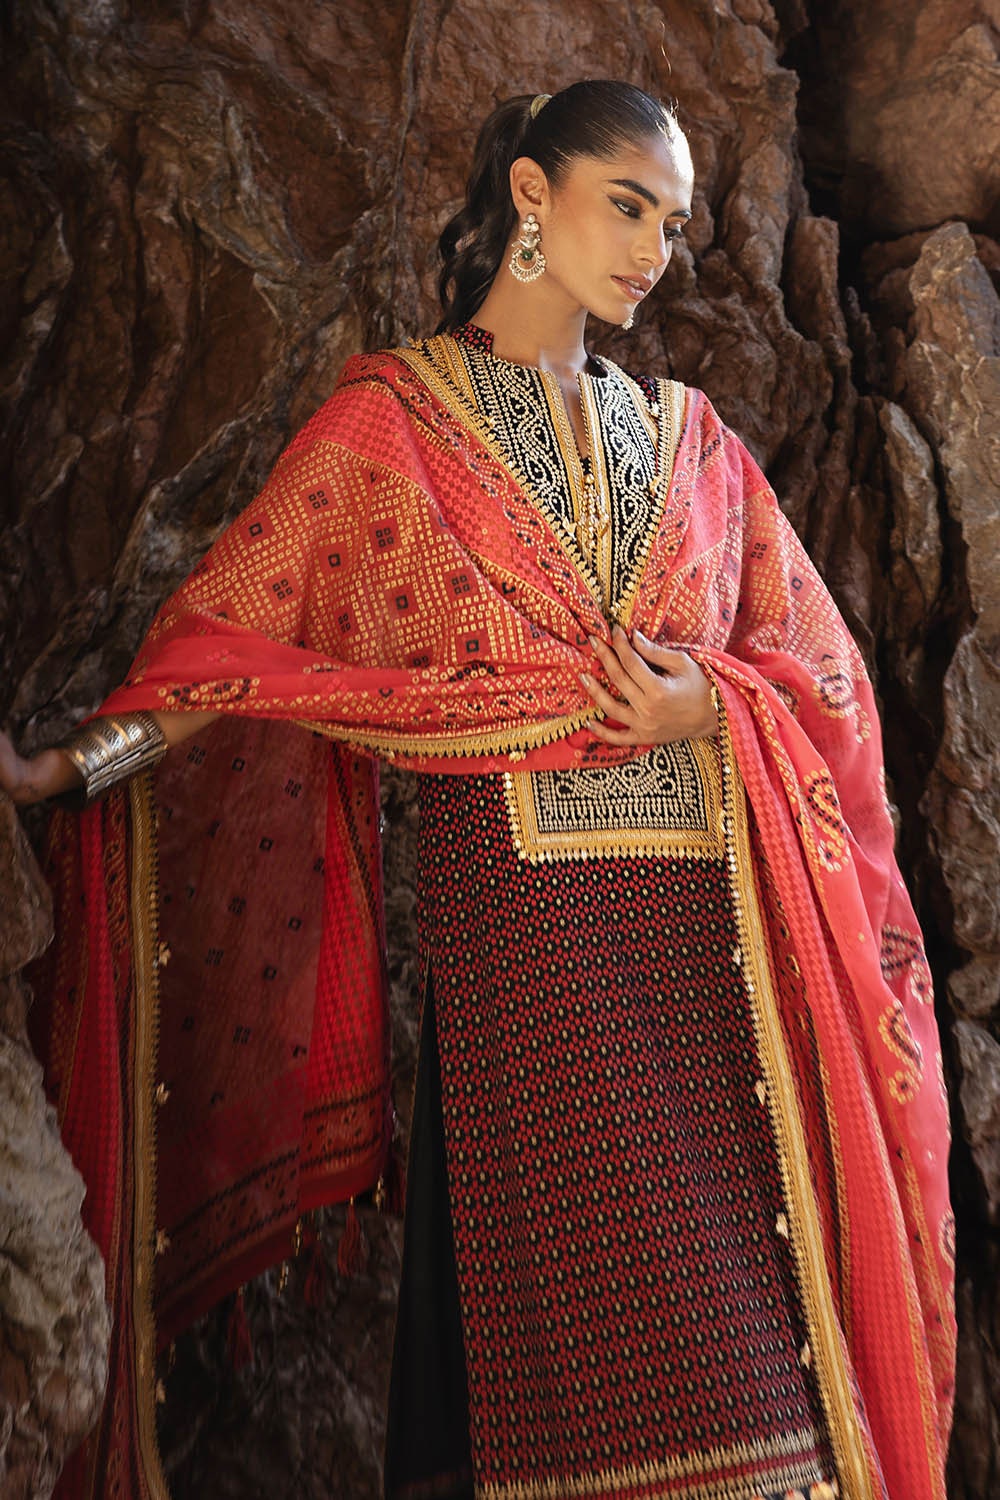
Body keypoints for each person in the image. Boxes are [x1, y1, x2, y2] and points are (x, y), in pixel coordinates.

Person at [1, 80, 954, 1500]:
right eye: (627, 206)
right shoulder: (390, 428)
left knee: (775, 1418)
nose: (654, 252)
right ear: (530, 193)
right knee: (586, 1406)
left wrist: (711, 704)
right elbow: (238, 647)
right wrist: (71, 764)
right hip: (532, 963)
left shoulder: (695, 443)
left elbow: (824, 679)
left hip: (714, 974)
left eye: (675, 224)